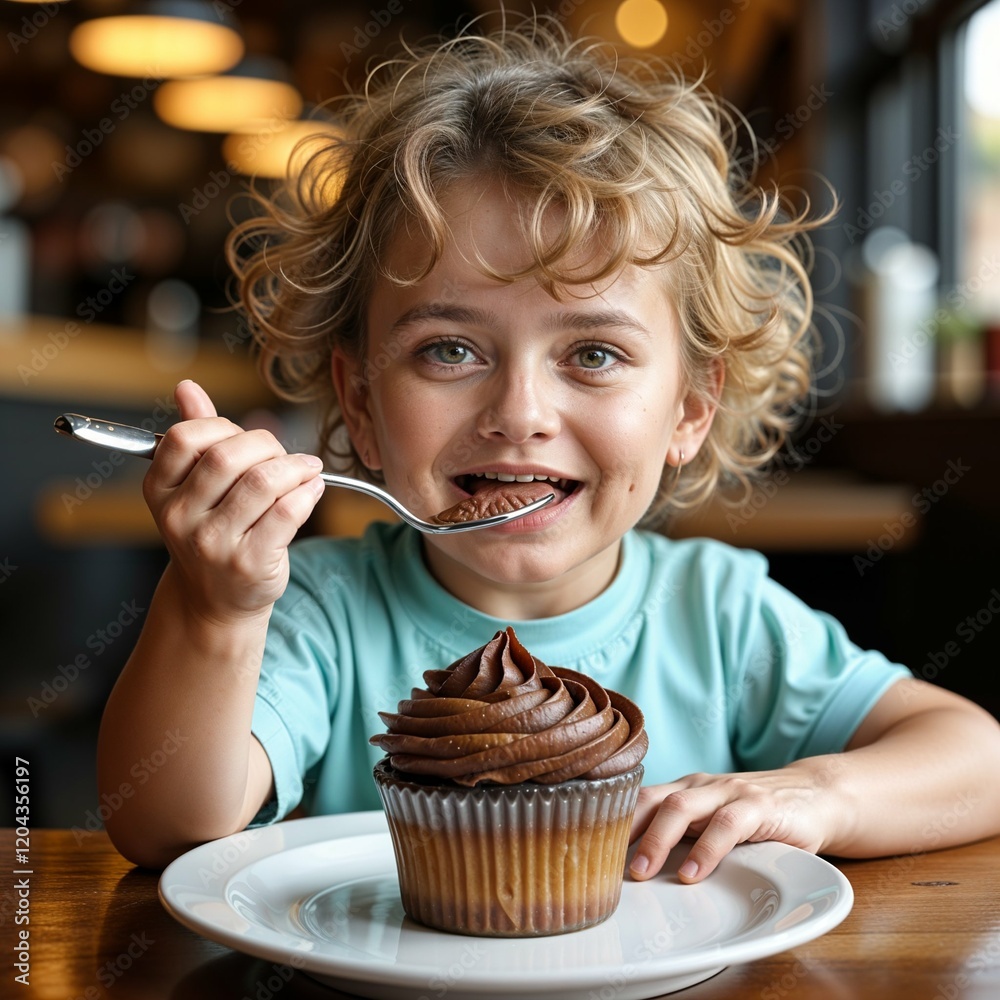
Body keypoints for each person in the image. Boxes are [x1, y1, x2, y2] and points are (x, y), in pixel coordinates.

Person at [97, 15, 1000, 877]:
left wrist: (819, 793)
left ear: (689, 406)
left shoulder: (719, 620)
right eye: (450, 350)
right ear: (360, 402)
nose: (519, 411)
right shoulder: (321, 616)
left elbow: (978, 758)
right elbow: (166, 826)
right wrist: (213, 612)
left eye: (594, 354)